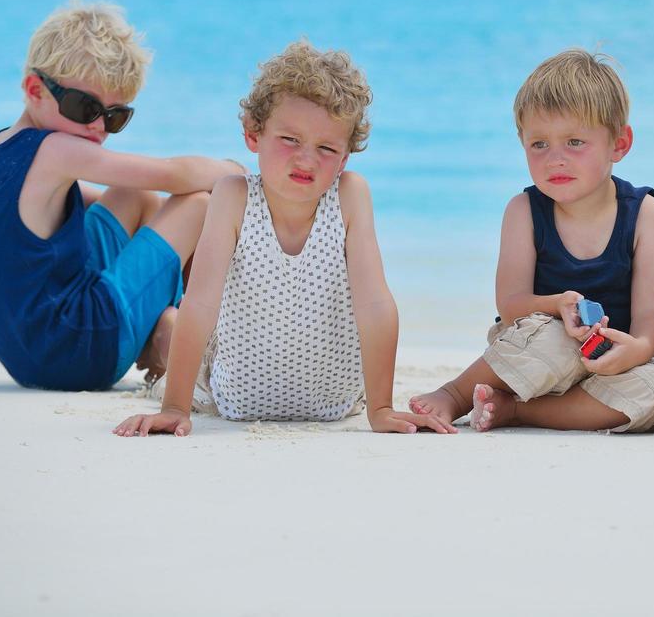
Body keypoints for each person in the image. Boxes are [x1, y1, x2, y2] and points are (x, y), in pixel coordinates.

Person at [114, 41, 454, 436]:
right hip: (231, 396)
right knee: (180, 334)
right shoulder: (233, 196)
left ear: (344, 159)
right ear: (253, 135)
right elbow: (203, 303)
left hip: (335, 402)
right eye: (290, 140)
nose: (306, 159)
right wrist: (175, 407)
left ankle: (163, 329)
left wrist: (380, 408)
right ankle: (160, 334)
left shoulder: (350, 197)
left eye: (326, 148)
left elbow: (375, 303)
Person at [0, 0, 236, 392]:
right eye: (83, 106)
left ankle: (160, 324)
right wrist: (238, 173)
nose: (98, 127)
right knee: (197, 204)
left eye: (114, 115)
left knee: (133, 196)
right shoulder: (56, 150)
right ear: (35, 89)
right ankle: (180, 331)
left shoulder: (3, 148)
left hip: (35, 355)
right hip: (80, 349)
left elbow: (93, 201)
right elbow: (172, 174)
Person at [407, 49, 654, 434]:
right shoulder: (523, 211)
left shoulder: (646, 215)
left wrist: (641, 347)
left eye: (575, 142)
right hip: (536, 342)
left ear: (619, 143)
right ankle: (454, 394)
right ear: (522, 143)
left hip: (608, 355)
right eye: (539, 145)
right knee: (553, 341)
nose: (555, 160)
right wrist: (555, 306)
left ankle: (518, 411)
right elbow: (511, 304)